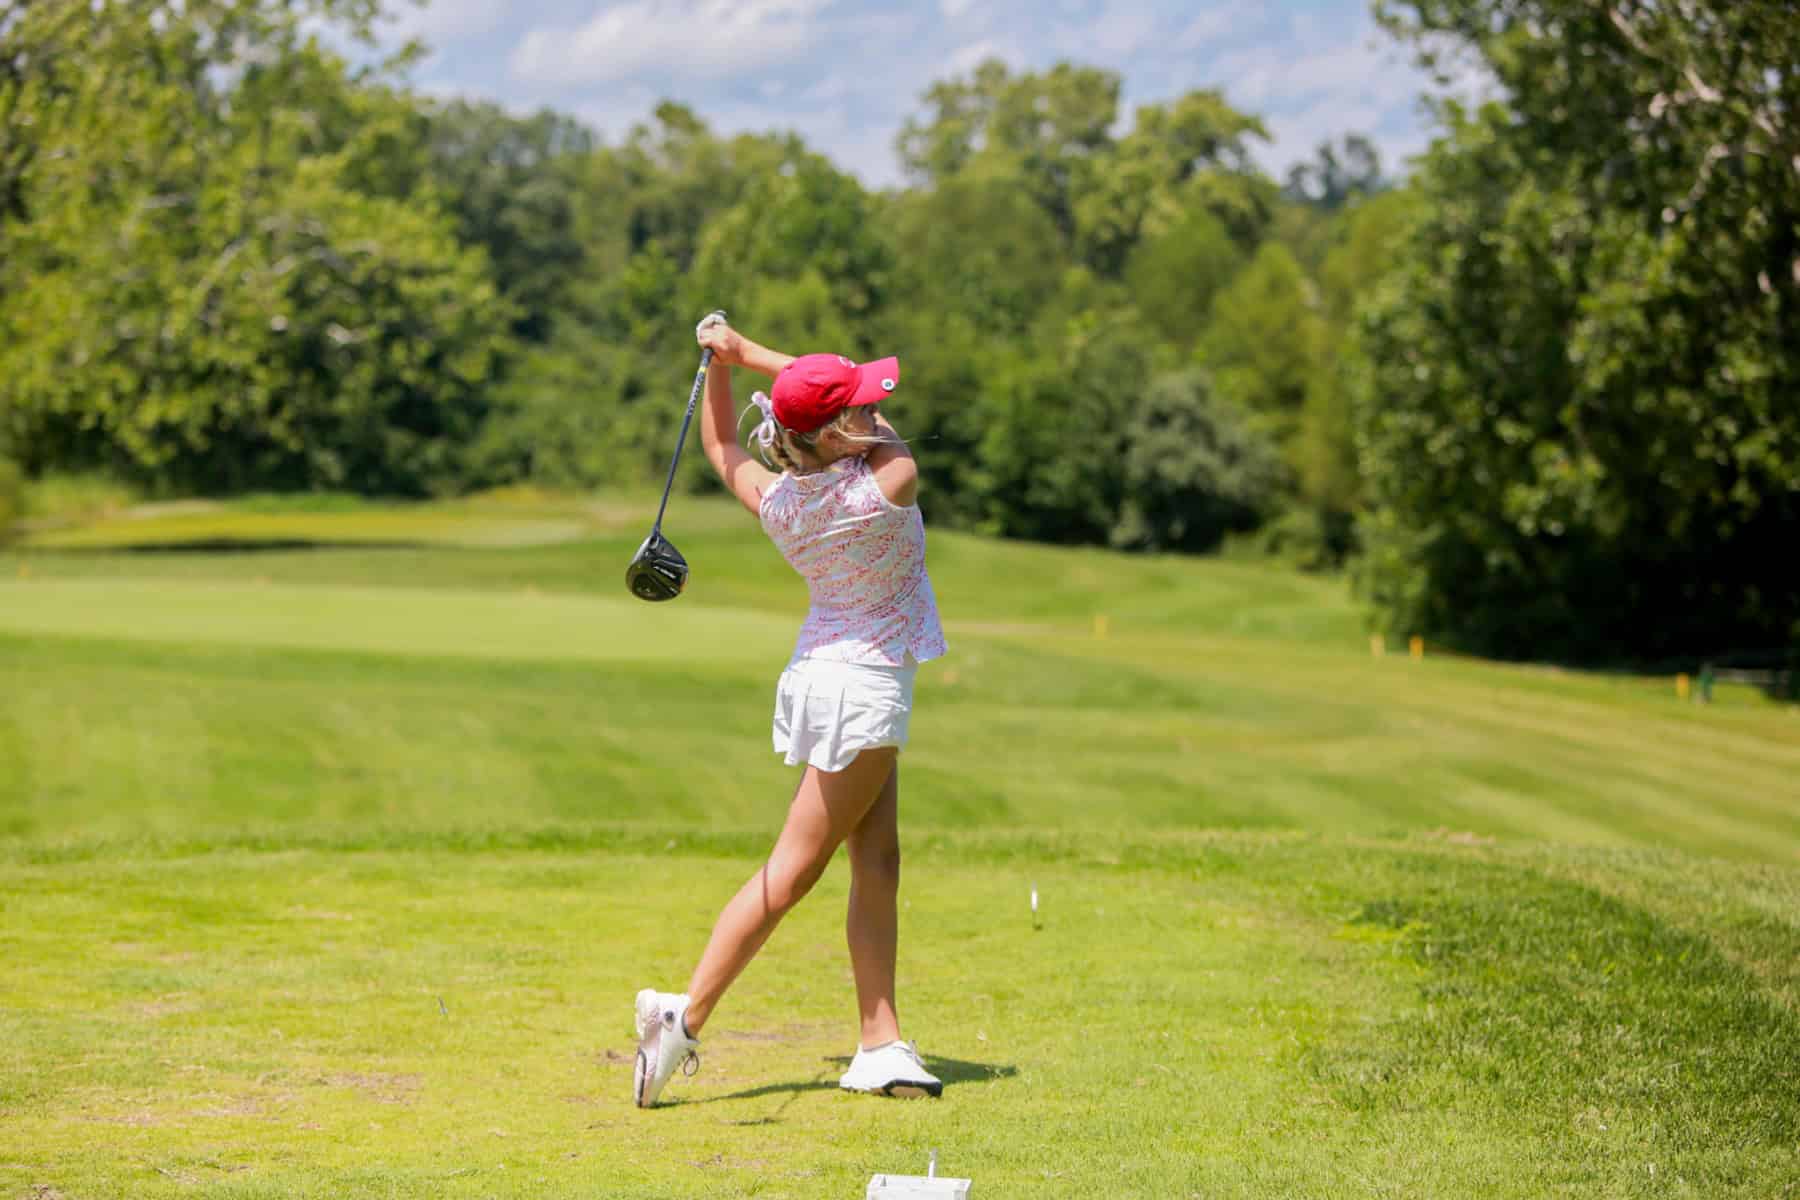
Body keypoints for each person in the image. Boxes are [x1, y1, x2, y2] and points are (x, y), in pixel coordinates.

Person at [631, 314, 949, 1108]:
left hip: (830, 678)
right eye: (860, 405)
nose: (876, 409)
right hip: (862, 691)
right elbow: (888, 438)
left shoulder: (781, 500)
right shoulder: (885, 485)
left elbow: (720, 447)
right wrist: (750, 354)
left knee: (878, 862)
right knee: (792, 872)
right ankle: (683, 1017)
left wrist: (725, 365)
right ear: (836, 432)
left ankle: (879, 1041)